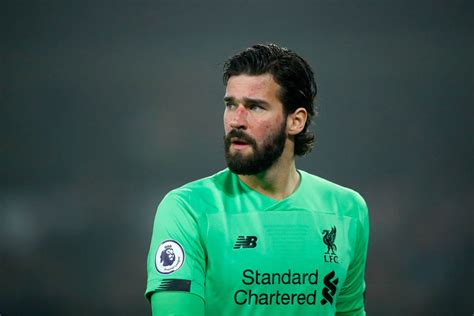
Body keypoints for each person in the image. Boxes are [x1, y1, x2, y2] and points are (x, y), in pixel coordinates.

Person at [145, 43, 370, 315]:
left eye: (255, 107)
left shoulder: (347, 210)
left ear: (296, 121)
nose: (236, 121)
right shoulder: (187, 209)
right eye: (231, 105)